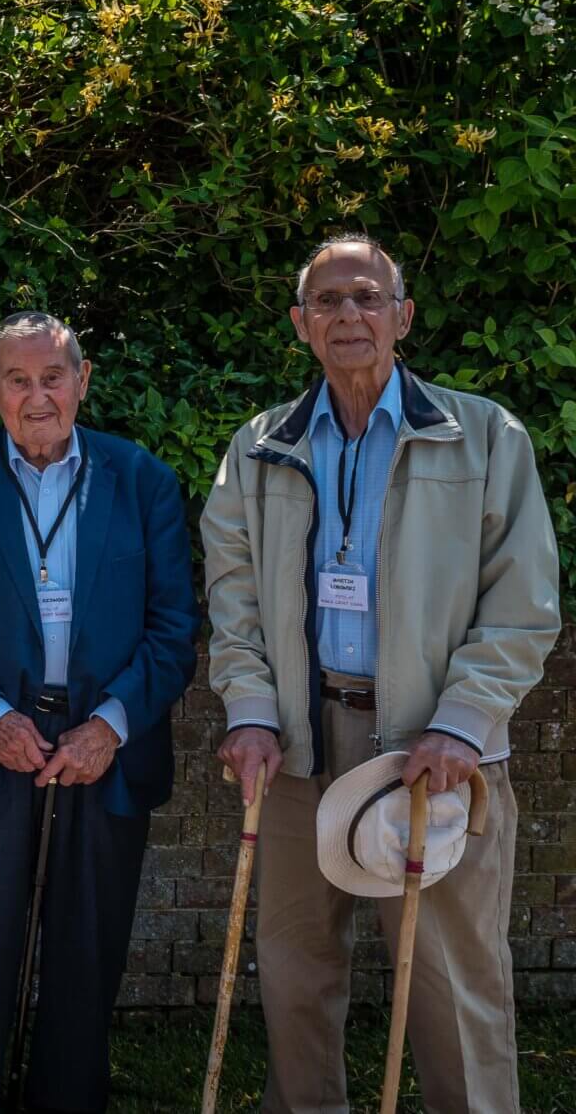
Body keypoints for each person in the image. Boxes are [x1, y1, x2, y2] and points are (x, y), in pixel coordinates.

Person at [203, 236, 560, 1114]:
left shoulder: (484, 434)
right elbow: (233, 597)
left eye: (367, 298)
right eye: (327, 302)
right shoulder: (257, 448)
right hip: (298, 743)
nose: (348, 316)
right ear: (300, 325)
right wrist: (250, 712)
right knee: (294, 980)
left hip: (433, 748)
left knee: (449, 986)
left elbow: (522, 605)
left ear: (402, 317)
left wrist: (463, 723)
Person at [0, 313, 197, 1114]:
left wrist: (110, 725)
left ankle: (69, 1097)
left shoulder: (142, 480)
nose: (38, 397)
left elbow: (174, 629)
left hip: (103, 741)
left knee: (87, 942)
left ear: (84, 379)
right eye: (19, 380)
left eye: (53, 377)